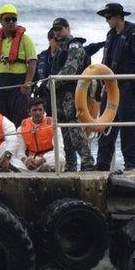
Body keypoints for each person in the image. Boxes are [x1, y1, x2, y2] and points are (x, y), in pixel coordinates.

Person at [91, 3, 135, 171]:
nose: (107, 21)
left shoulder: (134, 35)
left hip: (127, 87)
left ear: (119, 17)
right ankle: (102, 164)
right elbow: (105, 61)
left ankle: (130, 166)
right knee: (105, 127)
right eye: (105, 18)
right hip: (109, 87)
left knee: (129, 127)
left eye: (109, 17)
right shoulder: (110, 35)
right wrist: (99, 83)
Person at [50, 18, 95, 171]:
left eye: (60, 29)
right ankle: (71, 164)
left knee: (74, 128)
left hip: (72, 92)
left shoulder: (74, 46)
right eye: (55, 29)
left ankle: (87, 161)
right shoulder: (60, 48)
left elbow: (71, 69)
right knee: (64, 130)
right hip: (60, 93)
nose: (57, 32)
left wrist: (51, 83)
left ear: (68, 28)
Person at [0, 3, 37, 128]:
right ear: (1, 21)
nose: (11, 22)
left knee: (20, 118)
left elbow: (32, 62)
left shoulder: (25, 39)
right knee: (0, 120)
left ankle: (20, 146)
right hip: (1, 86)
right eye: (7, 19)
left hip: (19, 86)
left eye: (14, 19)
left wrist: (27, 83)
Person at [13, 97, 66, 172]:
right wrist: (26, 161)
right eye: (34, 110)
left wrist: (43, 160)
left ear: (44, 111)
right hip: (32, 161)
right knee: (12, 160)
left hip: (48, 159)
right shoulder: (21, 128)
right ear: (29, 112)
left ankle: (44, 168)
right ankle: (40, 169)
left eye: (40, 110)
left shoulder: (53, 125)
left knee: (60, 158)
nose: (38, 113)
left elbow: (59, 149)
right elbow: (20, 152)